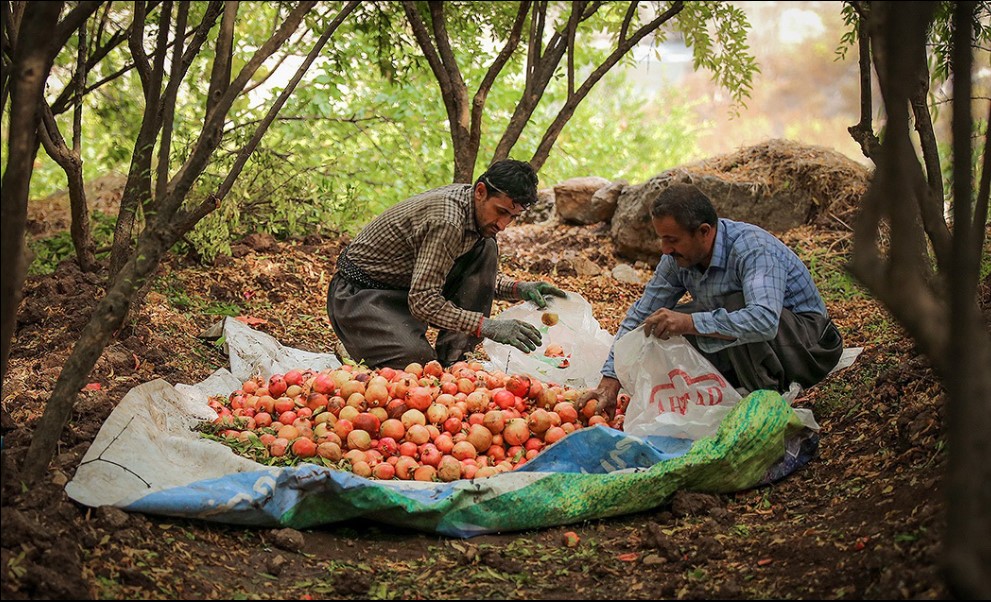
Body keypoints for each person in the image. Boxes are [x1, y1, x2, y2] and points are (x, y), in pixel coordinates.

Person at [580, 182, 843, 418]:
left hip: (807, 347)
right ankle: (725, 391)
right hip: (758, 347)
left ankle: (764, 396)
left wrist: (688, 322)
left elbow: (764, 321)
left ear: (704, 232)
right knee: (659, 323)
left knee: (725, 308)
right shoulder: (676, 260)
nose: (665, 249)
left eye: (672, 240)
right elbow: (641, 314)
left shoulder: (751, 248)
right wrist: (610, 379)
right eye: (661, 239)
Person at [327, 159, 566, 369]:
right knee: (418, 365)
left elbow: (465, 276)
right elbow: (423, 302)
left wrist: (518, 289)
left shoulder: (477, 214)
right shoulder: (448, 221)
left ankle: (453, 359)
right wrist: (489, 327)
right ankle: (358, 346)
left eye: (512, 217)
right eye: (500, 211)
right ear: (481, 191)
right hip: (360, 296)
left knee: (486, 247)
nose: (503, 225)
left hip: (405, 288)